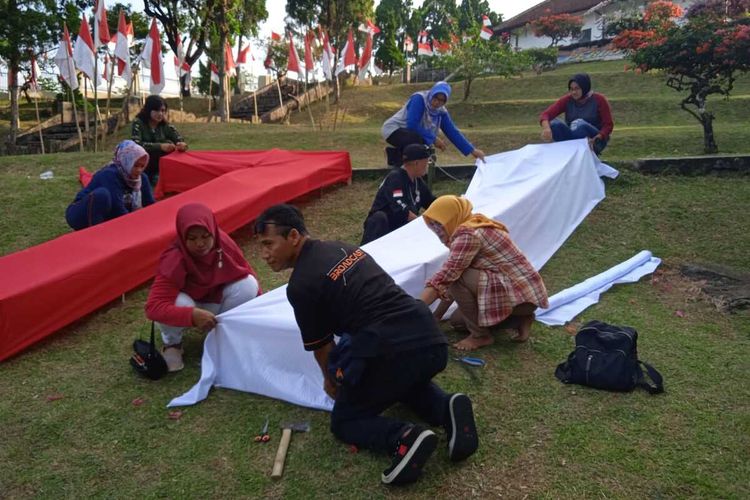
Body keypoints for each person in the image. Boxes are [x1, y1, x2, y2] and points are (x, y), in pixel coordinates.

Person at [255, 204, 478, 486]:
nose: (263, 254)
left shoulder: (300, 285)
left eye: (268, 244)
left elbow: (322, 346)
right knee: (400, 382)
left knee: (345, 421)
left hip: (391, 349)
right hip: (431, 340)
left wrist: (333, 382)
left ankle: (404, 438)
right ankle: (447, 408)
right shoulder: (343, 249)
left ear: (294, 236)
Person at [419, 196, 549, 351]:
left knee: (458, 278)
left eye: (439, 223)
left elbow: (447, 276)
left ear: (452, 217)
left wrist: (413, 310)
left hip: (519, 296)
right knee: (458, 322)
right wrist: (436, 317)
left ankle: (480, 336)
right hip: (523, 297)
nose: (436, 230)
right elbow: (452, 273)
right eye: (432, 225)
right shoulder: (475, 222)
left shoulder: (468, 234)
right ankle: (520, 319)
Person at [145, 203, 261, 372]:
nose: (200, 243)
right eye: (192, 238)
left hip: (217, 300)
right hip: (190, 304)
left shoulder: (223, 243)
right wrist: (191, 315)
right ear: (183, 237)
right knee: (178, 301)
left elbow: (246, 271)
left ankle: (221, 333)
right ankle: (173, 344)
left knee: (248, 284)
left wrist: (261, 308)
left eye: (206, 236)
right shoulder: (174, 258)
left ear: (213, 231)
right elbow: (153, 308)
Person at [381, 81, 485, 166]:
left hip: (409, 134)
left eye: (442, 100)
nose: (437, 102)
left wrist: (472, 151)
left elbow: (453, 132)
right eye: (436, 98)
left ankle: (397, 161)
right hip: (393, 130)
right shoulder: (419, 99)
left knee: (423, 146)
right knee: (418, 141)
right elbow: (412, 125)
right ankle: (396, 160)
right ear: (432, 93)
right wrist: (434, 139)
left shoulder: (441, 112)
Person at [65, 140, 155, 230]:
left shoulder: (141, 178)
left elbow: (151, 206)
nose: (139, 170)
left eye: (142, 166)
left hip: (108, 214)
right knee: (102, 195)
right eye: (135, 165)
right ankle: (96, 233)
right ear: (126, 160)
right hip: (80, 213)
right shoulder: (110, 174)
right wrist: (136, 229)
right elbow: (118, 208)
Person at [361, 143, 436, 245]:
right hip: (386, 228)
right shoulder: (396, 178)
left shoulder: (417, 180)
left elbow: (431, 201)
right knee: (379, 217)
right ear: (416, 163)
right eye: (426, 162)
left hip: (402, 229)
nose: (427, 165)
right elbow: (401, 210)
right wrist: (422, 225)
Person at [539, 73, 613, 155]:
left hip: (595, 139)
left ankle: (585, 152)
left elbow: (608, 125)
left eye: (577, 89)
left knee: (579, 124)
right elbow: (546, 114)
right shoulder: (567, 100)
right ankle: (568, 153)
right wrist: (547, 129)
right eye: (571, 89)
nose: (574, 92)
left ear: (584, 87)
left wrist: (599, 137)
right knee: (554, 124)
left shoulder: (599, 99)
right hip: (574, 138)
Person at [131, 95, 188, 186]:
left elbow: (178, 137)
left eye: (162, 111)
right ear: (149, 110)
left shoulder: (164, 124)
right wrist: (160, 146)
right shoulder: (138, 123)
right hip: (145, 162)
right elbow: (136, 145)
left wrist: (181, 144)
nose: (160, 114)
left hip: (161, 162)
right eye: (157, 110)